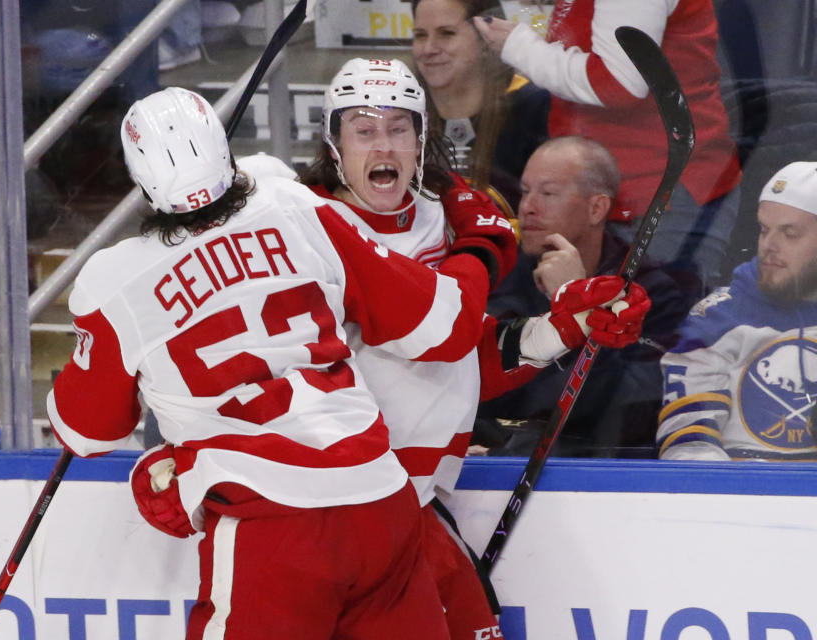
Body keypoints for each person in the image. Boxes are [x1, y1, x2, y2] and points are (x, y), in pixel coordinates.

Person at [48, 86, 496, 639]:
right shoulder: (297, 208)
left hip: (271, 525)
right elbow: (441, 326)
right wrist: (479, 247)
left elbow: (86, 432)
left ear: (138, 180)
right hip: (380, 503)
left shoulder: (112, 282)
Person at [297, 59, 651, 637]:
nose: (383, 142)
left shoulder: (444, 219)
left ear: (421, 139)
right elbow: (435, 332)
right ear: (334, 144)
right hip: (332, 513)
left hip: (417, 505)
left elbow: (462, 360)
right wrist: (486, 241)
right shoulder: (305, 230)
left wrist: (566, 325)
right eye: (363, 129)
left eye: (399, 127)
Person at [472, 0, 743, 292]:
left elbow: (619, 82)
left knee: (642, 325)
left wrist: (519, 47)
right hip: (605, 191)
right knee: (579, 318)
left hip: (662, 193)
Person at [479, 136, 690, 457]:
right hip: (502, 465)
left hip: (598, 473)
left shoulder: (653, 291)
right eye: (524, 191)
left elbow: (628, 407)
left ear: (596, 208)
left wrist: (578, 303)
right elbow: (484, 386)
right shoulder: (498, 273)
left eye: (547, 194)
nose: (527, 207)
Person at [657, 161, 817, 461]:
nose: (769, 244)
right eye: (764, 229)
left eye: (790, 233)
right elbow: (690, 449)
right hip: (741, 499)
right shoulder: (719, 318)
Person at [411, 0, 550, 211]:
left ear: (486, 40)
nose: (428, 49)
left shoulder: (534, 108)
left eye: (447, 33)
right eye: (420, 35)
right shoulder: (403, 113)